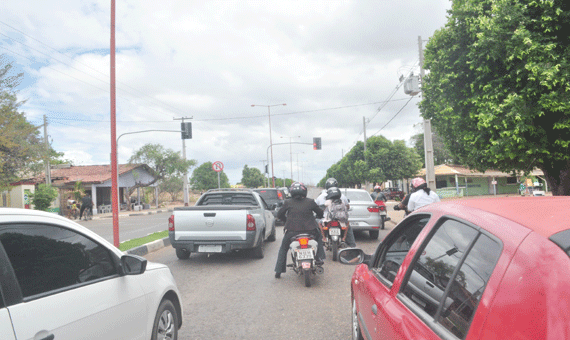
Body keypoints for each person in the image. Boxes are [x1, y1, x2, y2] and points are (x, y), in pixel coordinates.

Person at [274, 182, 324, 279]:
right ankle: (319, 258)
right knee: (319, 239)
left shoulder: (288, 202)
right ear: (304, 191)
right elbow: (320, 214)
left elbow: (279, 215)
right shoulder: (310, 202)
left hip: (292, 231)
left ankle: (278, 271)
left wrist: (286, 220)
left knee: (283, 249)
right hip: (311, 231)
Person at [314, 178, 356, 247]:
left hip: (326, 220)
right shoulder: (342, 196)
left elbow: (316, 207)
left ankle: (320, 242)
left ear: (326, 186)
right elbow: (347, 206)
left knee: (316, 225)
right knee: (348, 228)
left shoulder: (321, 196)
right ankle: (352, 246)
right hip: (340, 219)